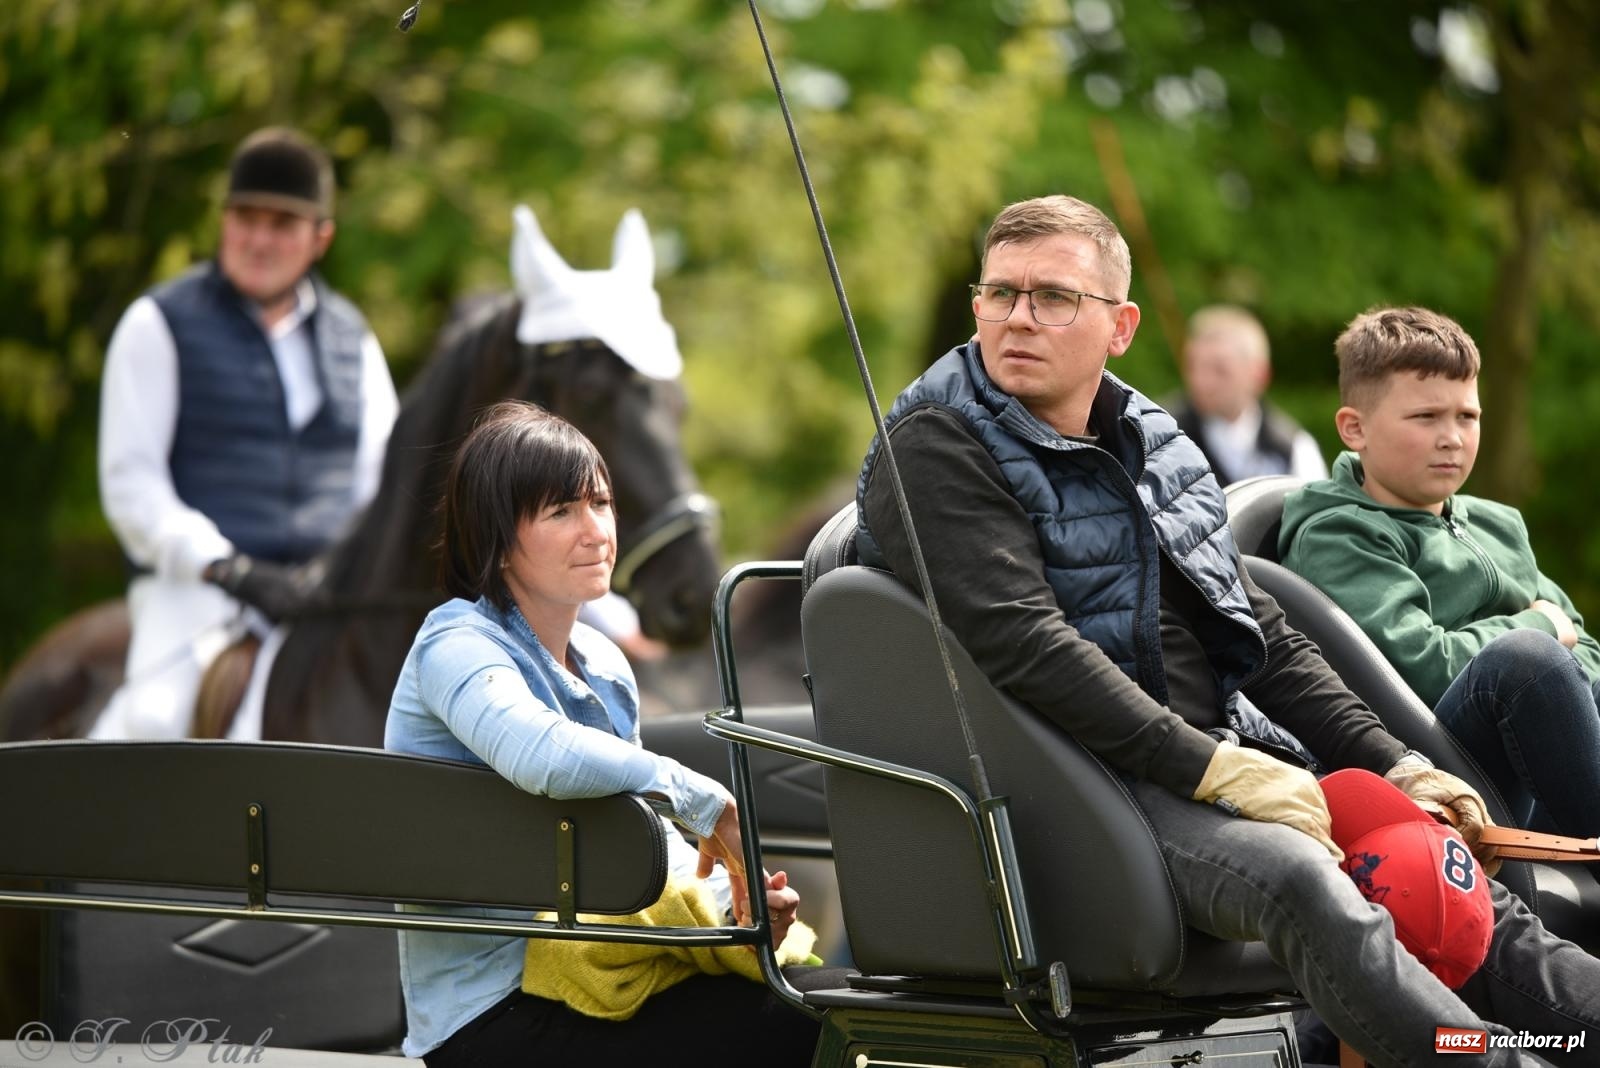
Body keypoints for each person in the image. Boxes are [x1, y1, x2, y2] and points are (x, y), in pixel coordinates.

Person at [854, 195, 1600, 1064]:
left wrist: (1395, 761)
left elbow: (1262, 628)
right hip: (1078, 787)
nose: (1018, 318)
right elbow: (1030, 647)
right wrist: (1218, 771)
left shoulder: (1154, 441)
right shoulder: (937, 445)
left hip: (1216, 762)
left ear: (1119, 326)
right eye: (1000, 293)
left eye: (1053, 297)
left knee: (1443, 875)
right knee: (1304, 881)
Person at [384, 402, 818, 1067]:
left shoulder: (604, 663)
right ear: (496, 537)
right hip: (486, 1014)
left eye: (602, 504)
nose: (596, 533)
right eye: (561, 512)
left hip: (592, 978)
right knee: (785, 1026)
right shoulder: (457, 643)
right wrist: (701, 796)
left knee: (809, 1002)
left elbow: (635, 829)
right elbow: (542, 755)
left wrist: (739, 904)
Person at [96, 126, 399, 739]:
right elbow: (132, 484)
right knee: (153, 723)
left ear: (321, 238)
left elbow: (382, 485)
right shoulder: (158, 322)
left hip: (323, 596)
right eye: (245, 218)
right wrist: (225, 567)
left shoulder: (354, 340)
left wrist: (339, 570)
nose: (258, 240)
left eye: (281, 224)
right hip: (197, 593)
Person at [1279, 307, 1600, 839]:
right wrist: (1539, 629)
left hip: (1549, 767)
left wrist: (1558, 647)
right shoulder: (1339, 535)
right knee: (1527, 658)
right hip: (1441, 778)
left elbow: (1583, 645)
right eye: (1426, 417)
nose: (1451, 437)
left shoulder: (1499, 523)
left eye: (1467, 417)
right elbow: (1423, 667)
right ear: (1354, 429)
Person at [1168, 304, 1327, 485]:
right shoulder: (1163, 436)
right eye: (1194, 367)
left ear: (1259, 375)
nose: (1201, 381)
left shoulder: (1292, 449)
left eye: (1220, 370)